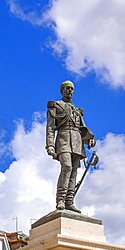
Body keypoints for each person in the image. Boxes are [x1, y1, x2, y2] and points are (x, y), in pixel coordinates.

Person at [45, 80, 95, 212]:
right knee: (66, 167)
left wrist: (89, 140)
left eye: (72, 89)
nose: (70, 91)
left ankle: (69, 201)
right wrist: (50, 145)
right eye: (67, 88)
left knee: (74, 172)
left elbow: (82, 129)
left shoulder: (77, 111)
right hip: (63, 140)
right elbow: (50, 128)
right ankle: (60, 200)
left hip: (77, 142)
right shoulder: (56, 106)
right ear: (62, 90)